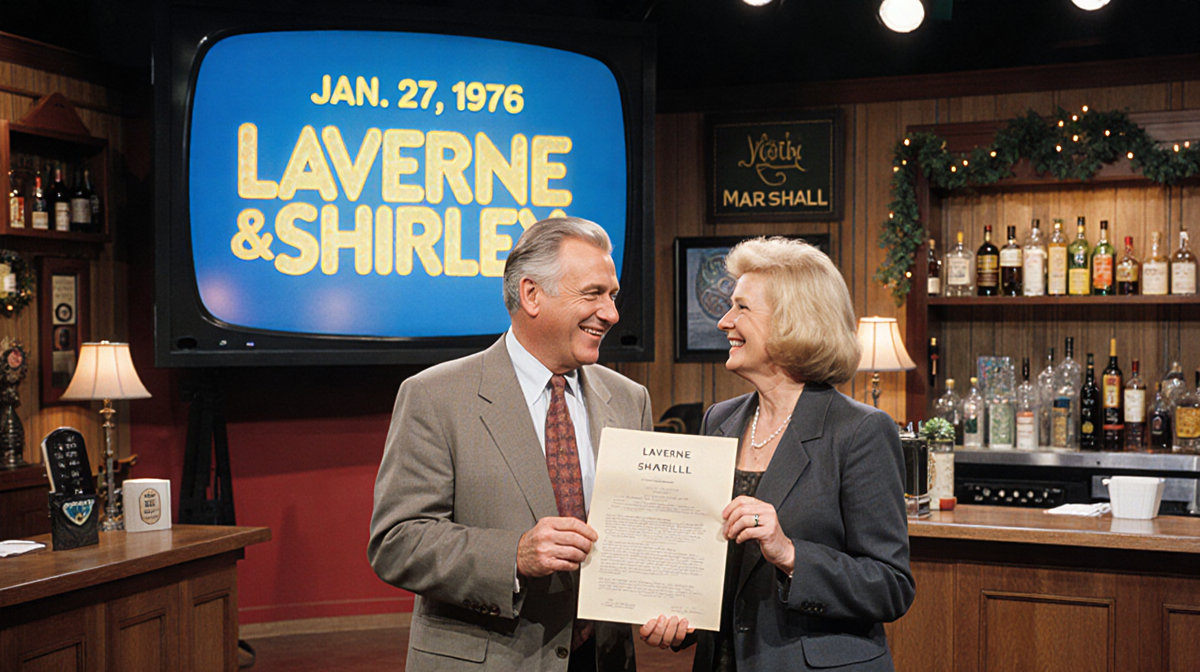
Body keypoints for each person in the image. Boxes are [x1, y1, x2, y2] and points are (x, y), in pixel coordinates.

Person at [369, 217, 653, 672]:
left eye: (612, 295)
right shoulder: (434, 396)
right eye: (593, 294)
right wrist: (514, 555)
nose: (612, 313)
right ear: (532, 294)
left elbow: (643, 532)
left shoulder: (628, 399)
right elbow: (397, 542)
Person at [641, 236, 914, 671]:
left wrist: (789, 553)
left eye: (742, 308)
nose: (724, 321)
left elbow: (891, 586)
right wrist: (681, 616)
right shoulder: (720, 420)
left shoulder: (860, 430)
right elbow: (716, 570)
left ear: (794, 321)